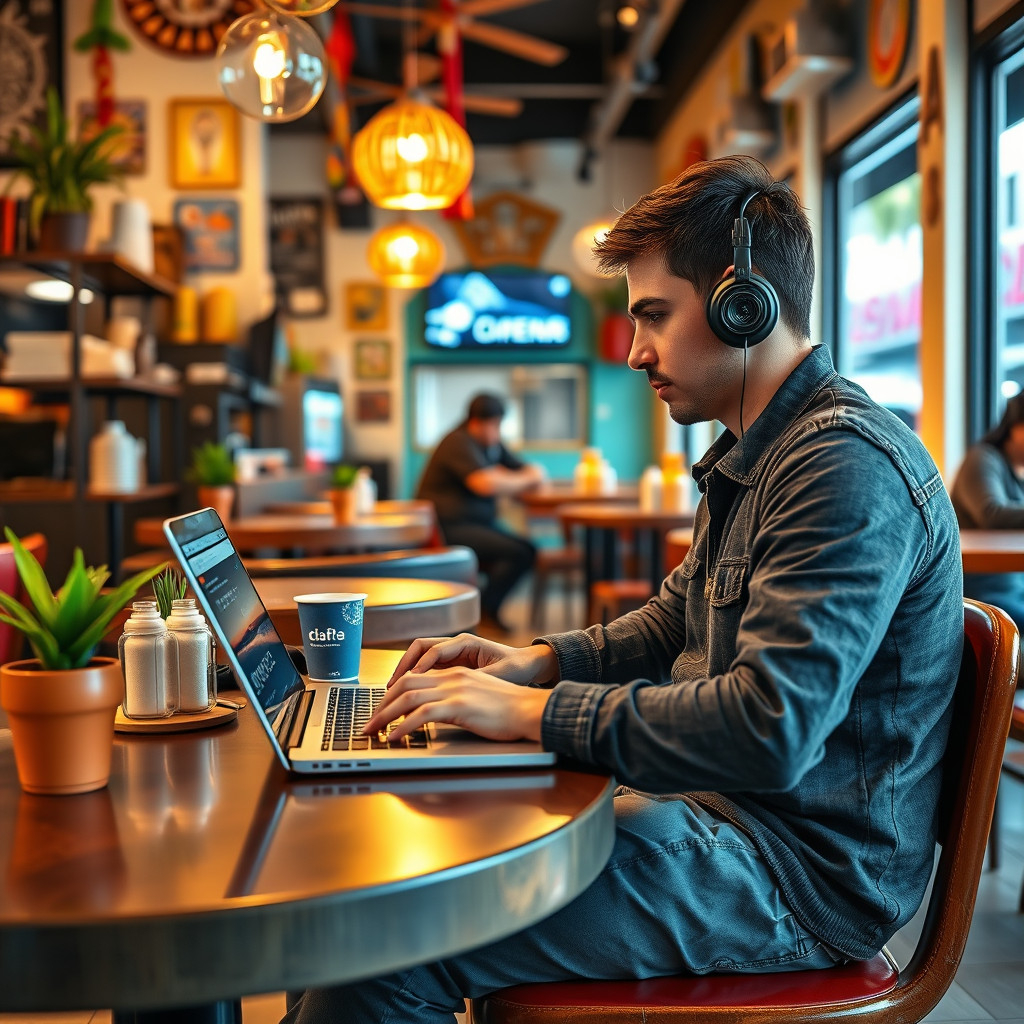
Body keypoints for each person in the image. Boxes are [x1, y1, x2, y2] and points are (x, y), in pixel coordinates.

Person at [283, 156, 963, 1024]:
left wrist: (532, 716)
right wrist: (530, 665)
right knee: (363, 899)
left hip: (790, 874)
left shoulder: (842, 466)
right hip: (721, 819)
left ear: (740, 303)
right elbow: (670, 621)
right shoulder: (758, 455)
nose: (637, 349)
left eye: (653, 316)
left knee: (383, 938)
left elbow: (769, 729)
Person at [415, 392, 546, 633]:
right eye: (495, 425)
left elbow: (532, 470)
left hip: (478, 525)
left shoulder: (491, 444)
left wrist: (509, 478)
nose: (498, 431)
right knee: (521, 552)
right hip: (448, 528)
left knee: (526, 548)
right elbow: (484, 484)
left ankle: (484, 609)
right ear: (477, 422)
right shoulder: (457, 442)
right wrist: (514, 480)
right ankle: (484, 609)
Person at [950, 392, 1024, 628]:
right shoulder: (983, 458)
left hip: (1013, 586)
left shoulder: (1018, 470)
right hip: (983, 595)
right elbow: (992, 513)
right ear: (1015, 426)